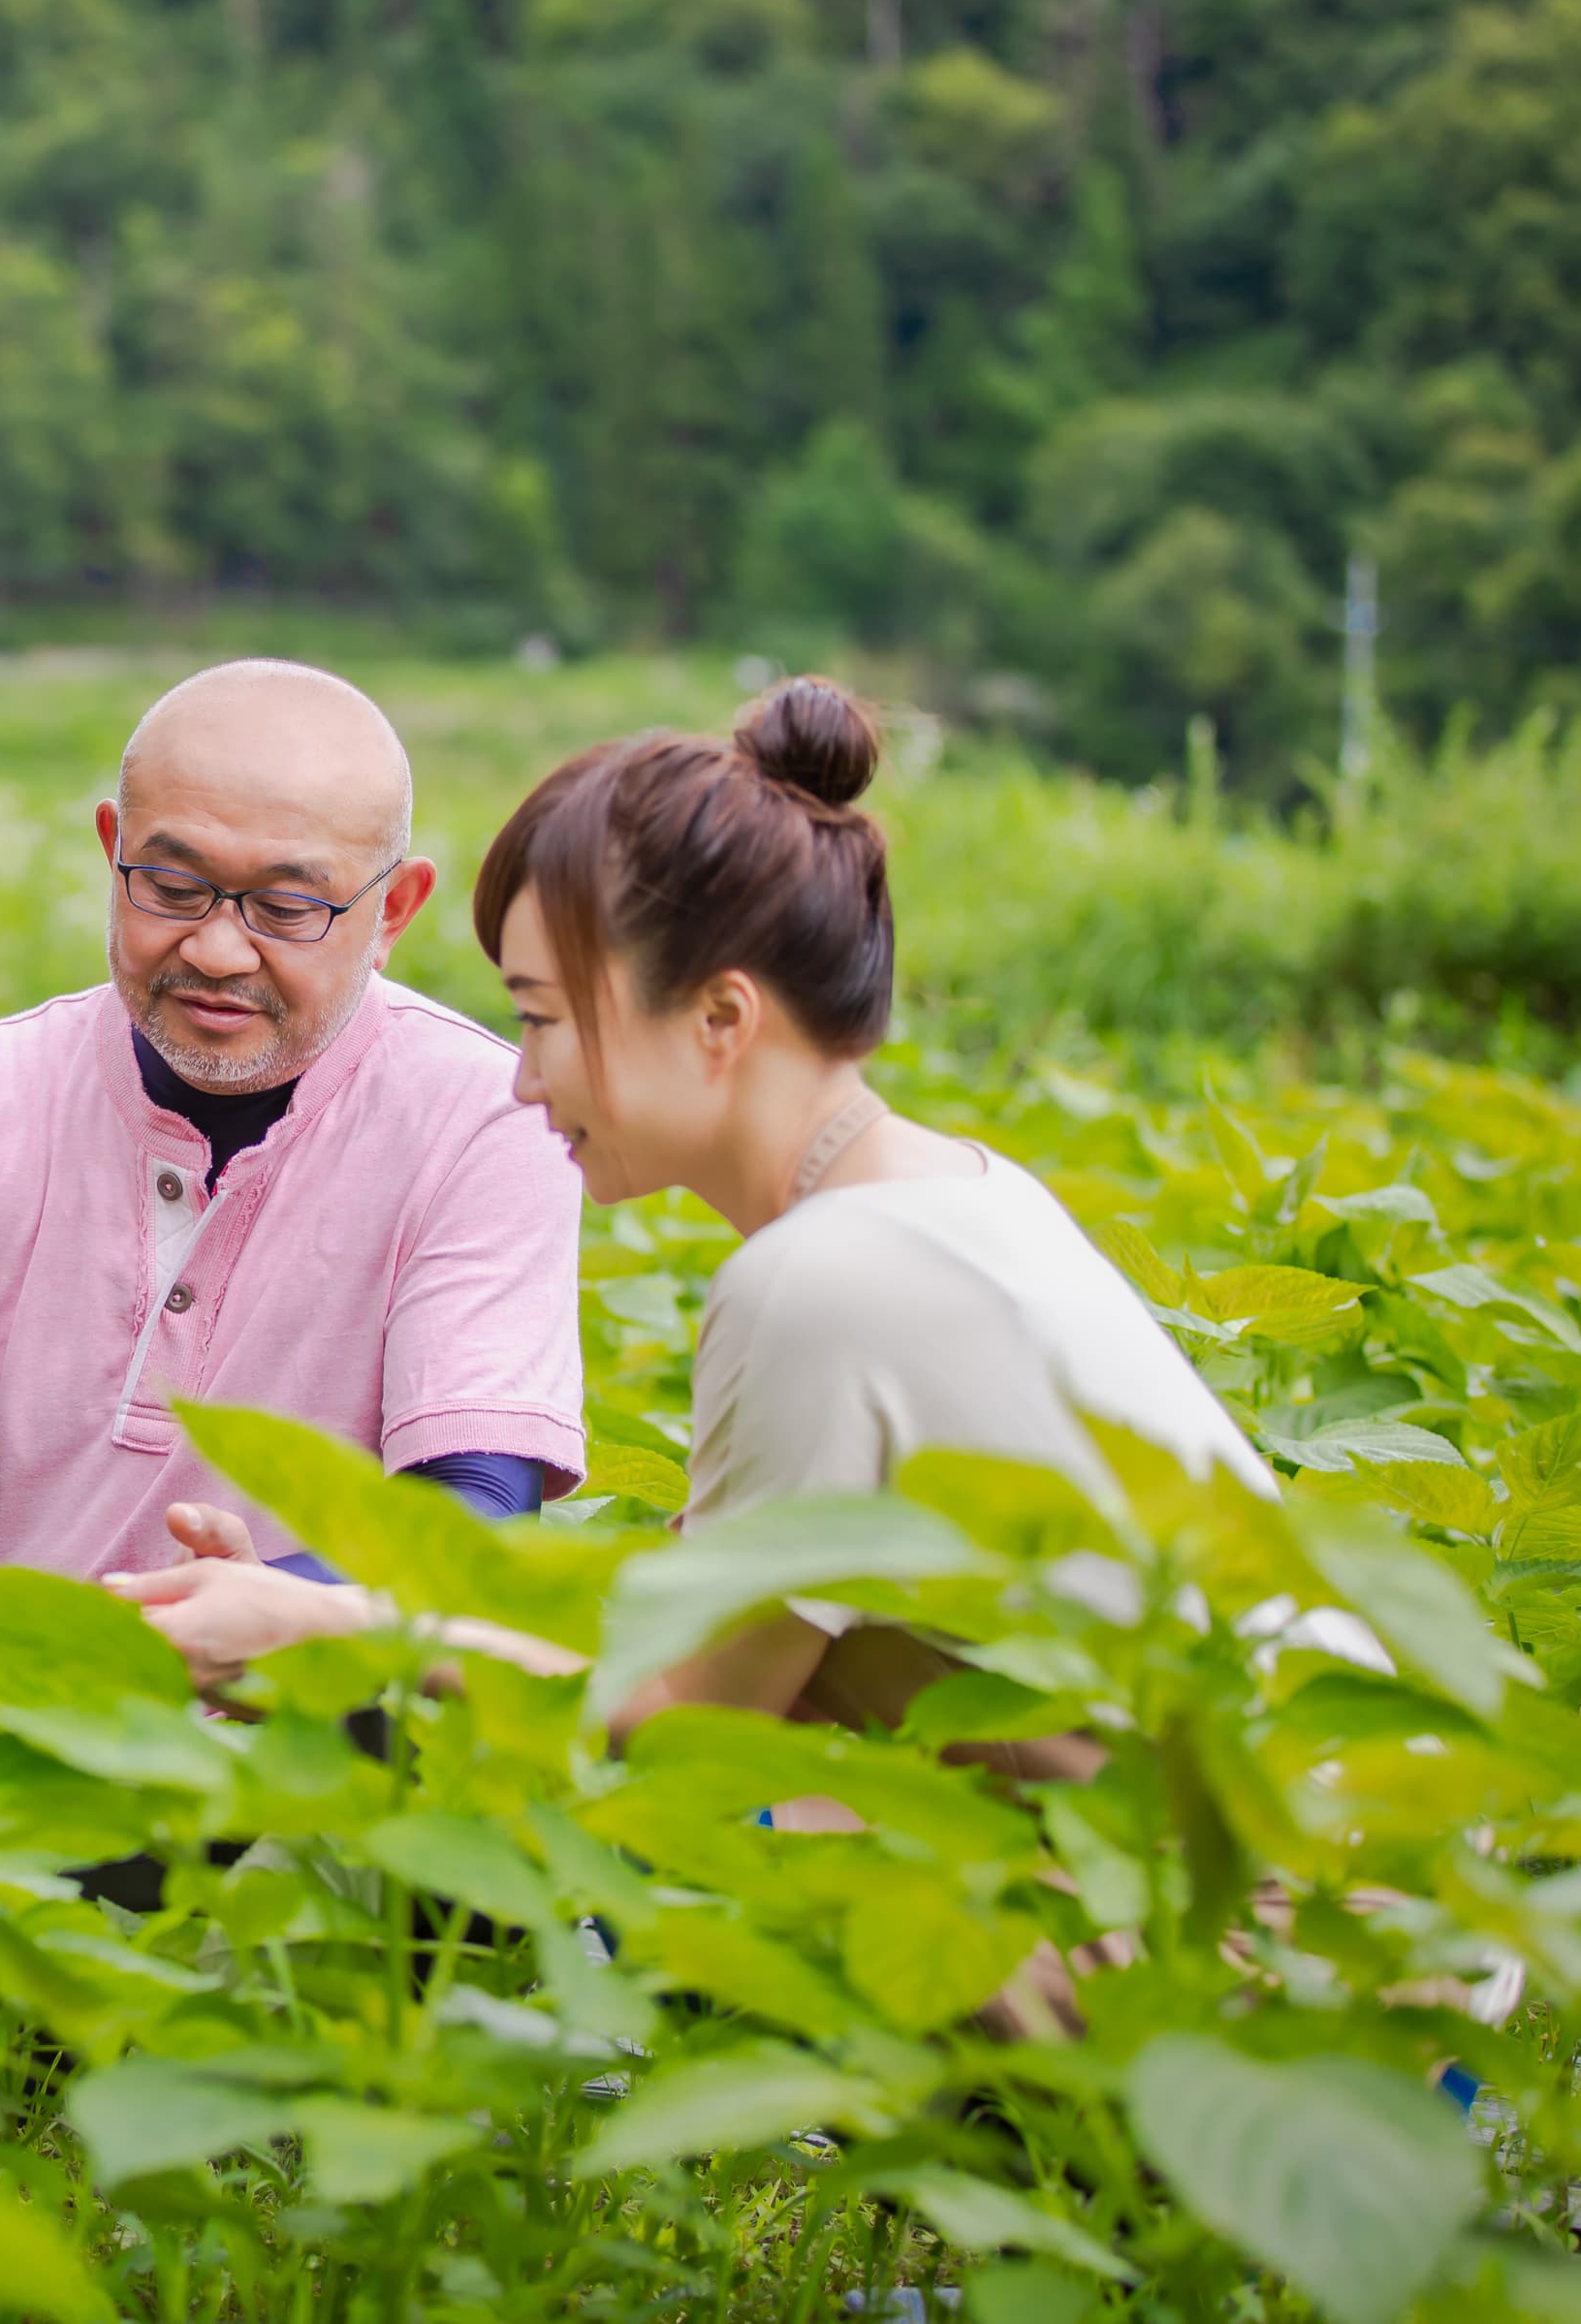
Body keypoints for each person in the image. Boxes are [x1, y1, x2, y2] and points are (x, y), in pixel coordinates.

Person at [111, 675, 1269, 1748]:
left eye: (544, 1019)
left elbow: (686, 1718)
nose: (524, 1080)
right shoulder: (948, 1191)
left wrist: (327, 1628)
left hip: (1255, 1885)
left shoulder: (822, 1279)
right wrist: (310, 1605)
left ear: (720, 1018)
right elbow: (718, 1653)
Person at [0, 658, 586, 1583]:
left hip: (313, 1677)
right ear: (113, 849)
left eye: (287, 908)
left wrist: (276, 1608)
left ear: (394, 910)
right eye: (173, 888)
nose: (217, 951)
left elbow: (479, 1508)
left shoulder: (485, 1121)